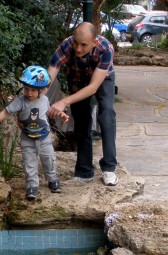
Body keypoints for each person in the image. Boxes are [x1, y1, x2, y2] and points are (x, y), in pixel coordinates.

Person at [47, 22, 118, 186]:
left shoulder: (105, 49)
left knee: (106, 115)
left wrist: (63, 101)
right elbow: (50, 74)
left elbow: (93, 87)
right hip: (77, 77)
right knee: (81, 120)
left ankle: (109, 168)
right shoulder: (66, 45)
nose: (78, 49)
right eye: (76, 43)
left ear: (94, 41)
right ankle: (84, 171)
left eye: (84, 45)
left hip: (102, 79)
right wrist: (37, 98)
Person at [0, 65, 69, 200]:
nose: (29, 93)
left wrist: (61, 115)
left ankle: (52, 179)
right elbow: (6, 112)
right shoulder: (20, 102)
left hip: (44, 138)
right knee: (29, 162)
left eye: (33, 90)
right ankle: (32, 185)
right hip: (27, 138)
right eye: (26, 89)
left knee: (49, 159)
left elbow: (48, 112)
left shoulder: (44, 100)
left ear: (41, 90)